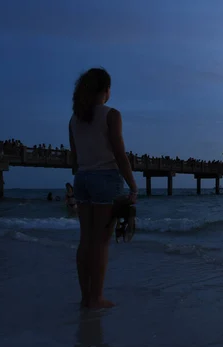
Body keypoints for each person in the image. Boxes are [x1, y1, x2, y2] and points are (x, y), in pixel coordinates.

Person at [69, 67, 138, 309]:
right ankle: (96, 297)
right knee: (101, 242)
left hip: (83, 179)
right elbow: (119, 153)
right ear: (106, 90)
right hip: (105, 179)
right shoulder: (111, 115)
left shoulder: (74, 119)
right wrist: (132, 184)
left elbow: (74, 158)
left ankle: (86, 296)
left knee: (86, 240)